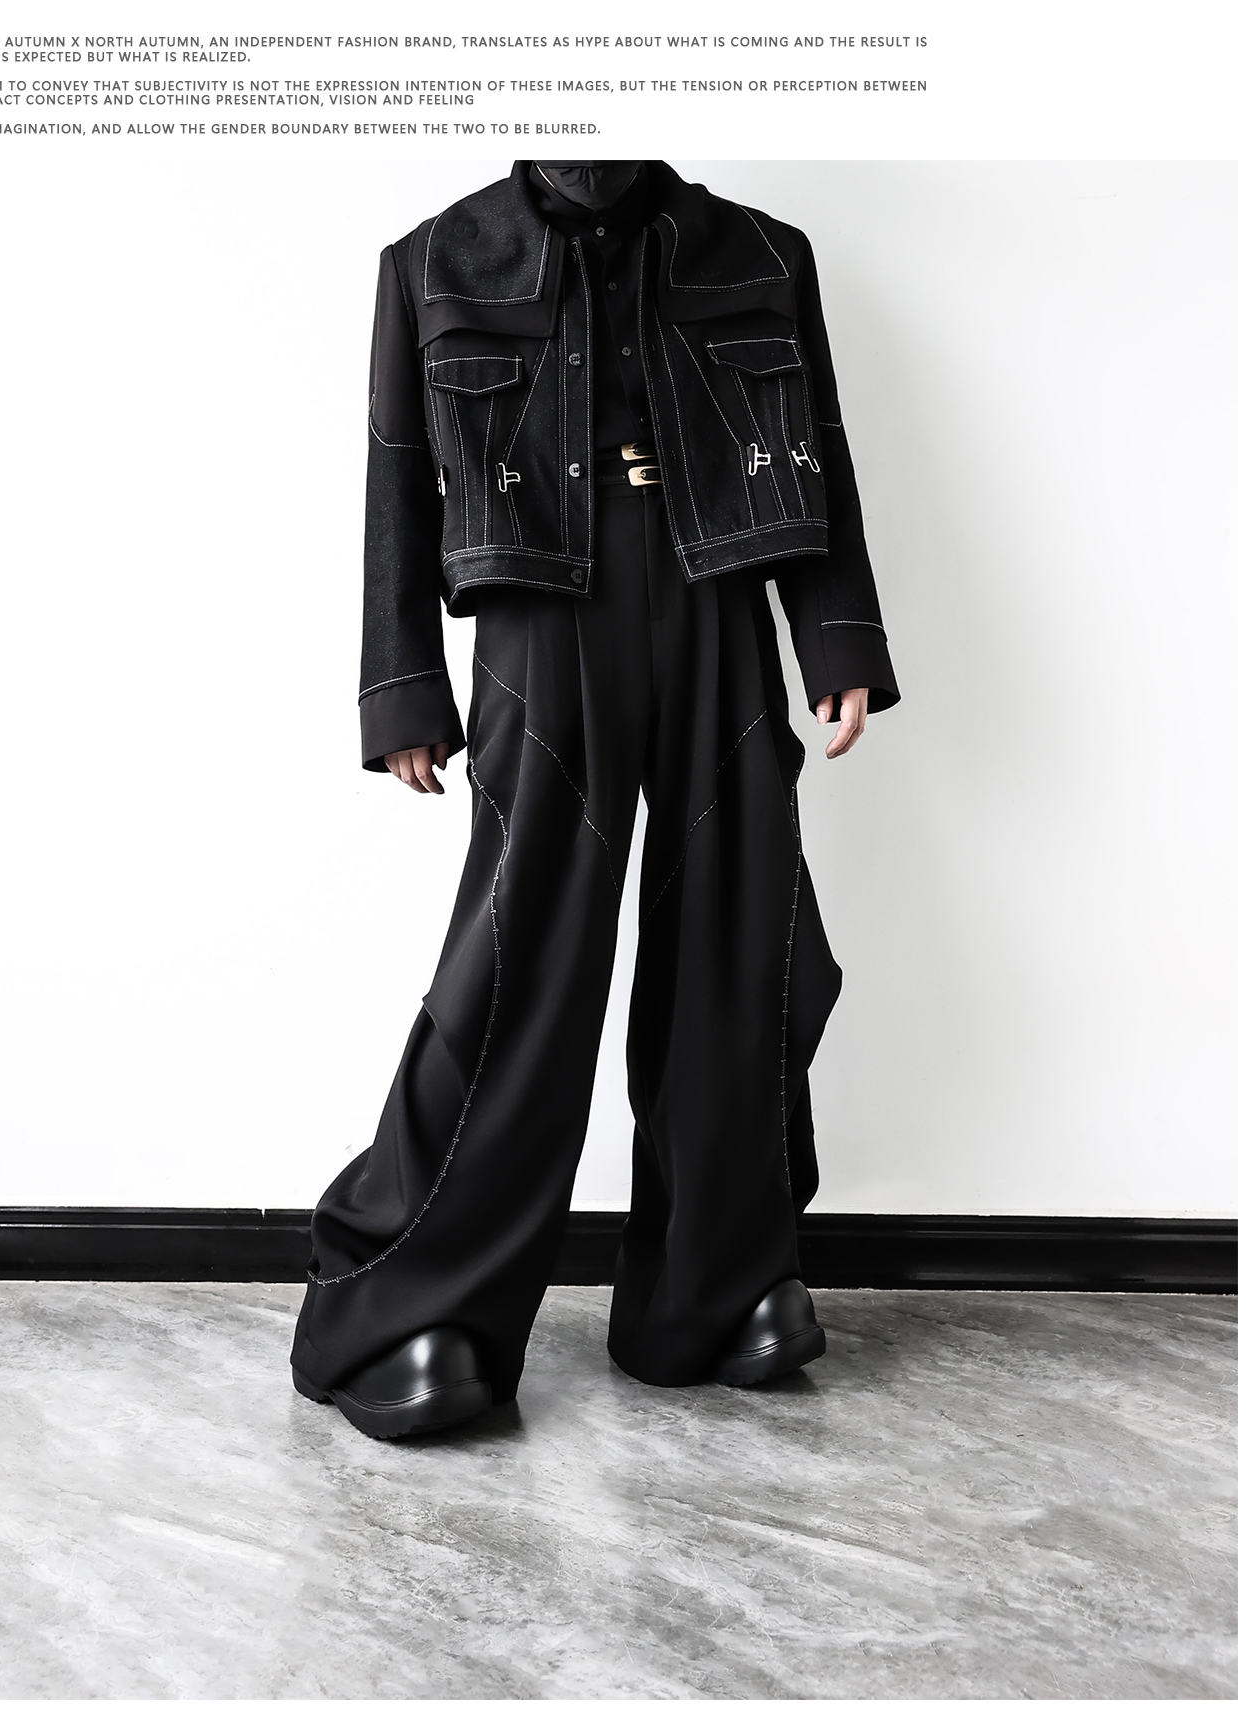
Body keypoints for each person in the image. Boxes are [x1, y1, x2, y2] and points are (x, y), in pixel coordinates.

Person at [291, 160, 899, 1439]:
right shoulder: (435, 258)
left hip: (721, 594)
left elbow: (819, 444)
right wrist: (402, 688)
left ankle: (715, 1288)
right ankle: (417, 1311)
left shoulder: (762, 251)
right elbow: (396, 474)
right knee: (521, 964)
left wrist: (835, 637)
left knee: (743, 942)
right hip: (538, 619)